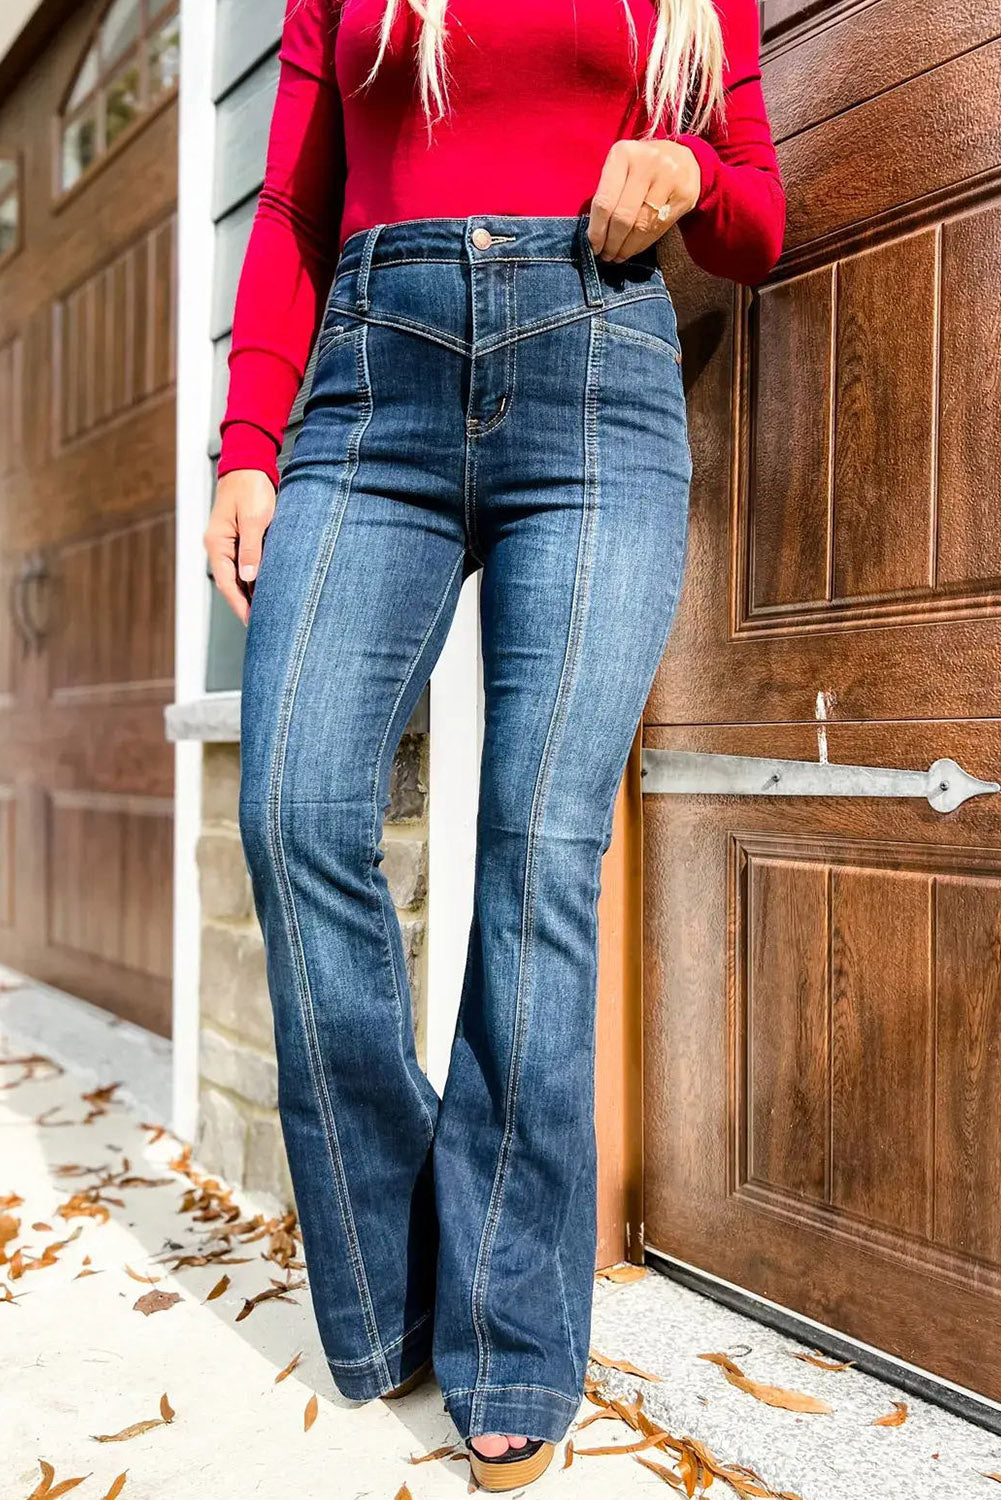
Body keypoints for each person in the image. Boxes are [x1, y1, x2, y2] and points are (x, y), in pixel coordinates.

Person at [204, 0, 784, 1489]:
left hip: (593, 387)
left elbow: (754, 220)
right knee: (291, 809)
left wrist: (687, 173)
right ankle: (406, 1279)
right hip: (367, 393)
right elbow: (289, 206)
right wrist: (248, 445)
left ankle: (509, 1328)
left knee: (536, 852)